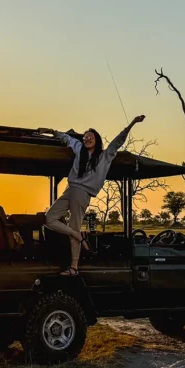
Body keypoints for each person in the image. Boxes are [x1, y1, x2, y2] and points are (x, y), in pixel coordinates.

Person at [37, 115, 145, 275]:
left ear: (97, 140)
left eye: (91, 137)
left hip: (82, 193)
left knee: (74, 224)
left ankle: (74, 267)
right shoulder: (79, 148)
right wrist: (51, 131)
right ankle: (78, 235)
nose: (87, 139)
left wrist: (132, 124)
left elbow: (118, 141)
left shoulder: (104, 156)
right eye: (85, 137)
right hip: (70, 189)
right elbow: (66, 138)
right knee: (49, 218)